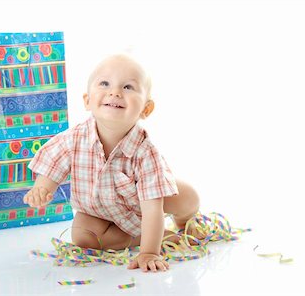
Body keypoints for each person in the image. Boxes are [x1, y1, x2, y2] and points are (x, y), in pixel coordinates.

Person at [23, 54, 201, 272]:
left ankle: (185, 222)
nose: (114, 92)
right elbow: (53, 163)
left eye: (127, 87)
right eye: (104, 83)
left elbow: (153, 210)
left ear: (146, 109)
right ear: (87, 100)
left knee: (187, 198)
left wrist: (149, 253)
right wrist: (43, 188)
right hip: (97, 210)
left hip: (141, 208)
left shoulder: (145, 153)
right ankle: (138, 236)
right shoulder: (74, 139)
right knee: (83, 238)